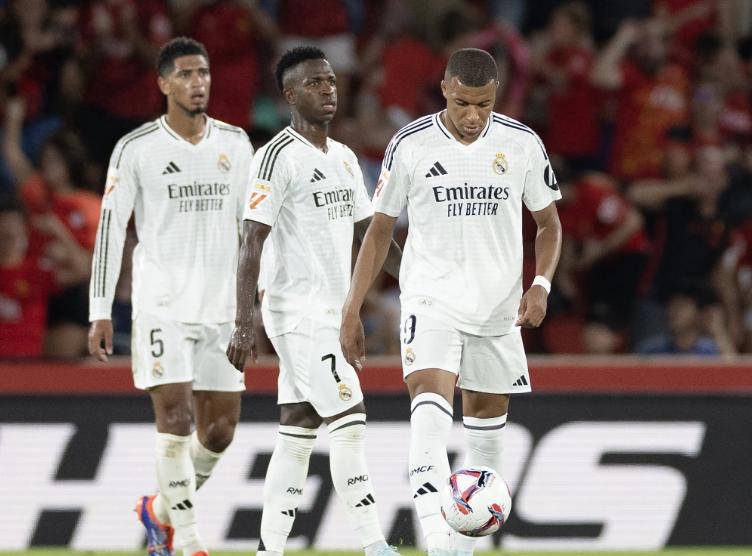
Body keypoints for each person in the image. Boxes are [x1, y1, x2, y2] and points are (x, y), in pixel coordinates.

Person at [340, 48, 562, 556]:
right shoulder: (410, 144)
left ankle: (462, 552)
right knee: (429, 416)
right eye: (462, 103)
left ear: (496, 95)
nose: (472, 116)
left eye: (483, 104)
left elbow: (549, 224)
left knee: (487, 444)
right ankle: (438, 545)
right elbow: (379, 230)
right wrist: (352, 308)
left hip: (498, 310)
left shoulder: (522, 143)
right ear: (444, 89)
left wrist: (541, 284)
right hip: (430, 300)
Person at [225, 46, 402, 556]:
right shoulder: (275, 156)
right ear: (289, 95)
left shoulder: (344, 158)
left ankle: (269, 550)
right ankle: (375, 545)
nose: (327, 90)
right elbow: (251, 240)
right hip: (298, 313)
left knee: (298, 429)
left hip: (332, 310)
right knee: (349, 418)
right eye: (313, 83)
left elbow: (372, 236)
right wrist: (244, 322)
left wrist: (419, 281)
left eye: (330, 81)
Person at [88, 37, 253, 556]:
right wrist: (100, 309)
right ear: (163, 84)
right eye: (184, 74)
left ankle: (158, 511)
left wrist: (255, 304)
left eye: (202, 72)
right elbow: (111, 230)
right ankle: (189, 543)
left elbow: (255, 229)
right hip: (162, 306)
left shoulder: (236, 144)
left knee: (220, 431)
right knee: (176, 421)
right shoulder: (136, 148)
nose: (197, 82)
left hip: (222, 309)